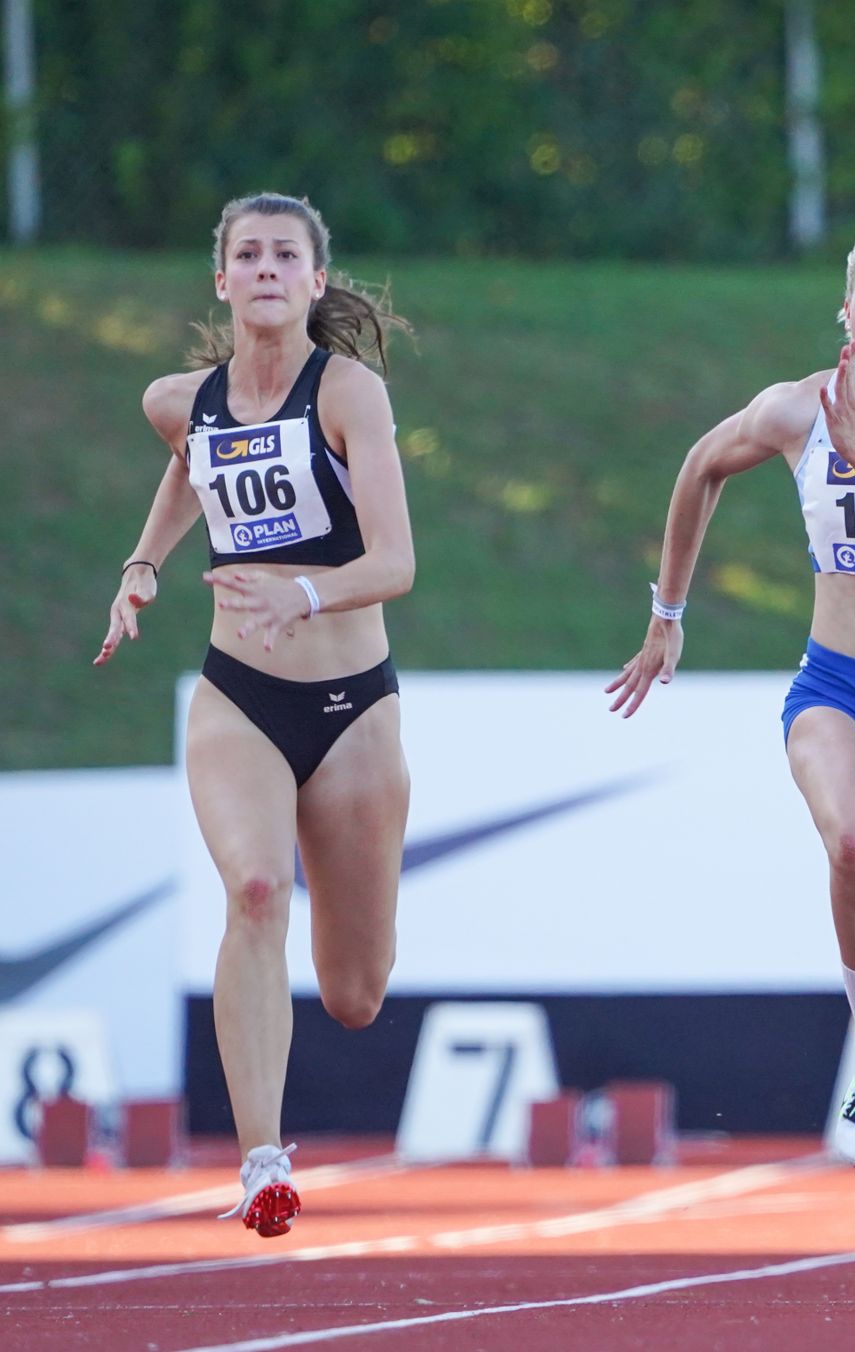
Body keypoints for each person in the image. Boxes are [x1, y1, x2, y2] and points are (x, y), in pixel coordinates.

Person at [608, 221, 855, 1292]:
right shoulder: (795, 408)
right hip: (841, 686)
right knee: (851, 841)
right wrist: (668, 612)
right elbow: (701, 467)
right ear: (845, 308)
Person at [96, 192, 416, 1238]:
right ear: (222, 280)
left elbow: (398, 562)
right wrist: (144, 564)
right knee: (253, 885)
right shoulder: (176, 398)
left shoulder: (349, 395)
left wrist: (307, 592)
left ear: (316, 282)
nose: (268, 267)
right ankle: (262, 1159)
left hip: (351, 702)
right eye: (249, 253)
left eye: (289, 253)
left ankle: (338, 956)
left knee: (357, 989)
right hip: (239, 691)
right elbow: (191, 460)